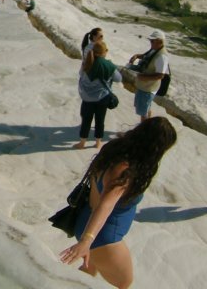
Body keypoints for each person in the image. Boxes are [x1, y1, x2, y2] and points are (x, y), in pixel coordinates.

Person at [60, 117, 178, 288]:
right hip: (103, 237)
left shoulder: (114, 150)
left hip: (87, 222)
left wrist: (87, 239)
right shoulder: (125, 170)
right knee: (124, 282)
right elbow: (106, 204)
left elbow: (96, 192)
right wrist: (87, 241)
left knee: (90, 269)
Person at [74, 41, 122, 149]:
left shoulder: (87, 62)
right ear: (105, 52)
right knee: (100, 121)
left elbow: (81, 74)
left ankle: (82, 143)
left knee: (86, 120)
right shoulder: (109, 65)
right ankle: (98, 143)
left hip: (87, 98)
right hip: (102, 98)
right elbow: (119, 78)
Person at [127, 30, 169, 122]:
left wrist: (143, 77)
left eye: (152, 41)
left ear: (159, 41)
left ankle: (144, 130)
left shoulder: (162, 56)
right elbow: (147, 57)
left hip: (148, 88)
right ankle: (147, 125)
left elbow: (160, 75)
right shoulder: (155, 49)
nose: (150, 42)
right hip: (144, 86)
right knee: (146, 108)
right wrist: (137, 56)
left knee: (143, 112)